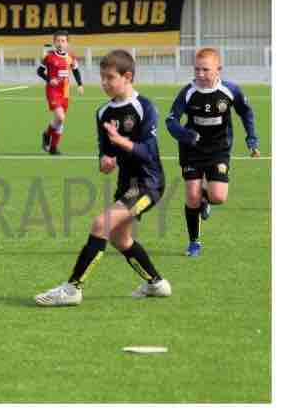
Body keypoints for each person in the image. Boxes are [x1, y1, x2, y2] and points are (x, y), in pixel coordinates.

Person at [34, 50, 171, 306]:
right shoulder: (103, 113)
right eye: (102, 77)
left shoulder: (144, 107)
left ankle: (72, 288)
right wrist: (105, 161)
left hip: (149, 184)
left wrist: (121, 141)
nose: (104, 83)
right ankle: (156, 284)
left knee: (101, 224)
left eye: (110, 77)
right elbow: (105, 152)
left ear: (127, 77)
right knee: (120, 239)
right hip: (126, 185)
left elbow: (148, 153)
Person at [165, 47, 260, 257]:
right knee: (192, 196)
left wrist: (251, 139)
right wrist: (185, 134)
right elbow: (171, 121)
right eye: (197, 69)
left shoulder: (230, 90)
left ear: (218, 70)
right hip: (192, 150)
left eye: (205, 70)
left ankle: (206, 199)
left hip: (219, 149)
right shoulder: (188, 92)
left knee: (218, 197)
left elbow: (246, 113)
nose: (200, 74)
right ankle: (194, 243)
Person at [37, 30, 84, 155]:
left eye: (63, 41)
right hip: (53, 91)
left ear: (67, 43)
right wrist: (49, 79)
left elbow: (76, 70)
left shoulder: (71, 57)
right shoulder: (49, 57)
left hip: (65, 92)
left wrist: (80, 84)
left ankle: (53, 147)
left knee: (60, 121)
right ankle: (47, 135)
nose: (60, 43)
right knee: (60, 117)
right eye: (57, 41)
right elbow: (39, 71)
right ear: (54, 42)